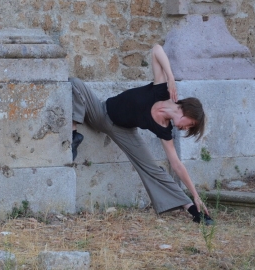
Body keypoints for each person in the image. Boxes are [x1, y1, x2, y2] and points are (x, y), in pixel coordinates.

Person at [70, 44, 213, 225]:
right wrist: (170, 76)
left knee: (151, 168)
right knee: (74, 83)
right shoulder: (161, 90)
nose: (185, 129)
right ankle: (74, 136)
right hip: (101, 112)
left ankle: (194, 211)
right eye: (190, 125)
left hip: (123, 132)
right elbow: (156, 49)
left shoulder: (164, 129)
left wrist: (195, 195)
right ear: (187, 112)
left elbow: (176, 164)